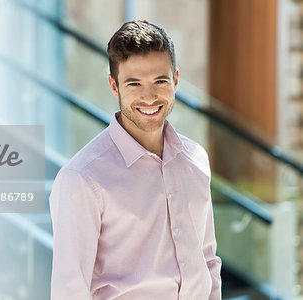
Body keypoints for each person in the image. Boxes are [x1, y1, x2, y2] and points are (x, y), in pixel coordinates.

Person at [49, 20, 222, 300]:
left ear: (175, 80)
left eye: (160, 81)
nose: (149, 96)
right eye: (134, 83)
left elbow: (208, 261)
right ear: (114, 86)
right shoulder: (82, 178)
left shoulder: (195, 161)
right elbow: (70, 291)